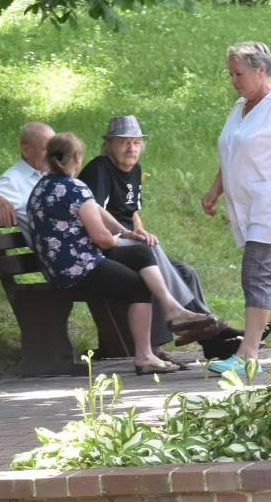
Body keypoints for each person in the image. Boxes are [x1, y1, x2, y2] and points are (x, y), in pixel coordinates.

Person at [27, 132, 212, 373]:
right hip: (78, 270)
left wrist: (125, 233)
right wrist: (115, 238)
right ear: (78, 158)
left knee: (141, 252)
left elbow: (97, 211)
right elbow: (102, 240)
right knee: (139, 286)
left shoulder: (43, 186)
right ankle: (145, 356)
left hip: (61, 265)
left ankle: (173, 308)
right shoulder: (74, 188)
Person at [203, 41, 271, 375]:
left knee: (255, 275)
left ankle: (247, 354)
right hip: (250, 210)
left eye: (239, 74)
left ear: (261, 70)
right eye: (231, 74)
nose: (234, 80)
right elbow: (231, 152)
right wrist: (215, 189)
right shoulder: (241, 106)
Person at [82, 116, 221, 359]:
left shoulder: (135, 170)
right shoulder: (99, 169)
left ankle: (201, 325)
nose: (131, 148)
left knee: (185, 270)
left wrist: (141, 229)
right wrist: (128, 234)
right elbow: (92, 209)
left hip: (128, 240)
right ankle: (194, 327)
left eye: (136, 143)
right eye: (124, 142)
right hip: (105, 243)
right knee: (149, 258)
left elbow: (132, 211)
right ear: (109, 145)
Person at [0, 122, 54, 228]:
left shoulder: (51, 173)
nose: (53, 156)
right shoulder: (14, 180)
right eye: (47, 150)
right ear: (26, 150)